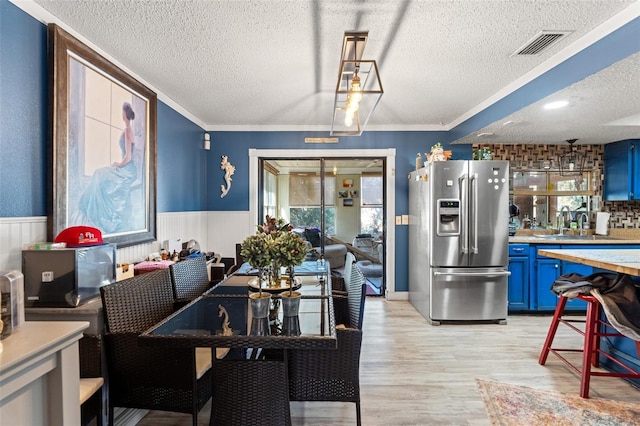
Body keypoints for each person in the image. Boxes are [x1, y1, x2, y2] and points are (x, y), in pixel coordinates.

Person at [74, 102, 138, 233]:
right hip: (128, 168)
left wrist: (118, 164)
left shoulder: (127, 131)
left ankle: (97, 212)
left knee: (98, 173)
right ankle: (95, 210)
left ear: (124, 114)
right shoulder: (129, 131)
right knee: (100, 175)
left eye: (122, 112)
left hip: (128, 169)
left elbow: (128, 157)